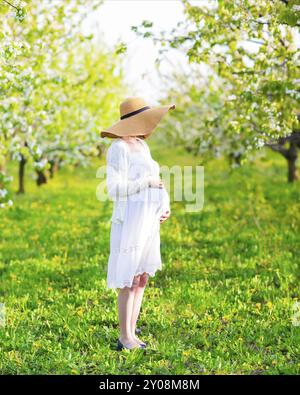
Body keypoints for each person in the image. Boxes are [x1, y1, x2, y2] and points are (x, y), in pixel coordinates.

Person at [101, 97, 175, 350]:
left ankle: (132, 331)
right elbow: (113, 188)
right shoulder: (119, 148)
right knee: (130, 277)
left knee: (142, 277)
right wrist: (145, 185)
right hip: (131, 219)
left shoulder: (142, 146)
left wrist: (165, 206)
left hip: (148, 219)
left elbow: (157, 180)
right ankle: (124, 336)